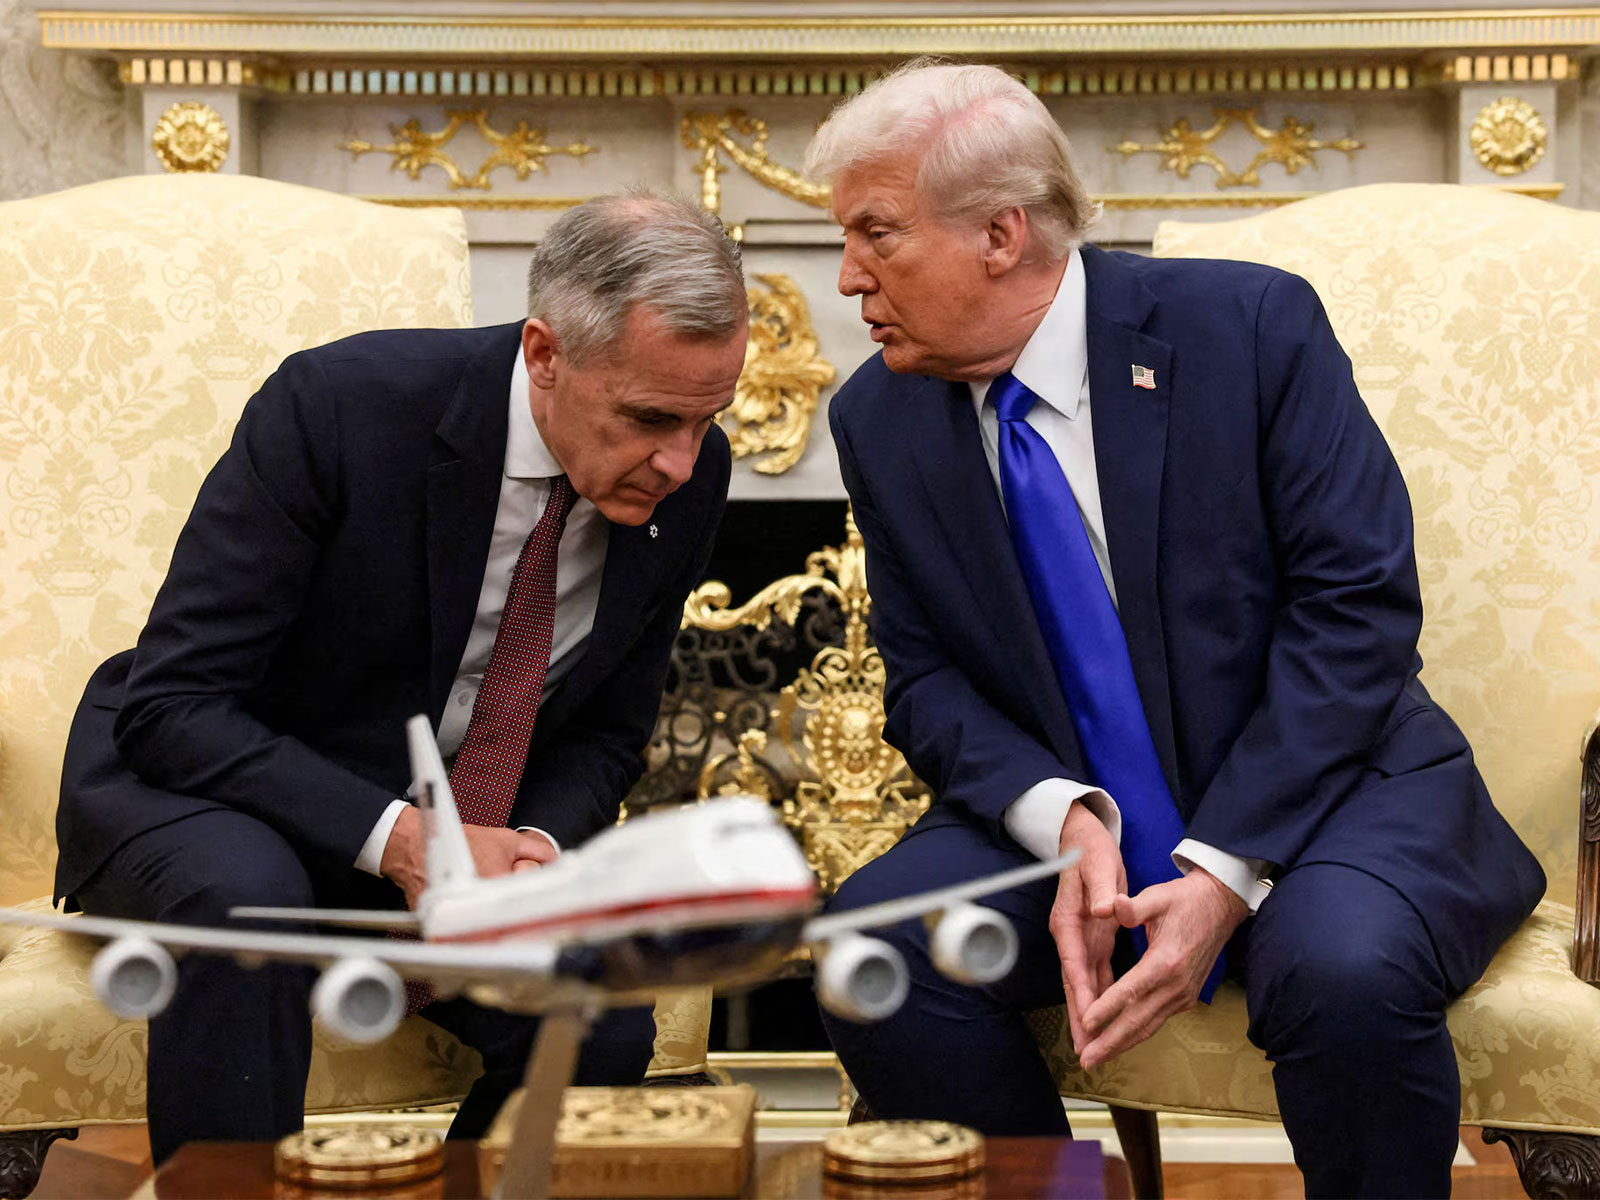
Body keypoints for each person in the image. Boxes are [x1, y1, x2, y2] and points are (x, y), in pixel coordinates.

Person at [805, 62, 1544, 1197]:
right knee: (875, 948)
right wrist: (1064, 817)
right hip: (1076, 808)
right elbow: (927, 680)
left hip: (1325, 790)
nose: (848, 276)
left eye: (876, 234)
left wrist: (1219, 863)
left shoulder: (1244, 327)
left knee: (1339, 972)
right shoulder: (877, 415)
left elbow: (1355, 613)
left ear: (1001, 232)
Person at [53, 191, 746, 1165]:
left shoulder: (688, 467)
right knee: (249, 901)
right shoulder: (340, 407)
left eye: (704, 420)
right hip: (216, 785)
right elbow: (176, 705)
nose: (679, 460)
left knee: (599, 1022)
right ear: (545, 355)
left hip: (441, 817)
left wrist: (532, 850)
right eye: (649, 418)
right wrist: (403, 840)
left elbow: (608, 730)